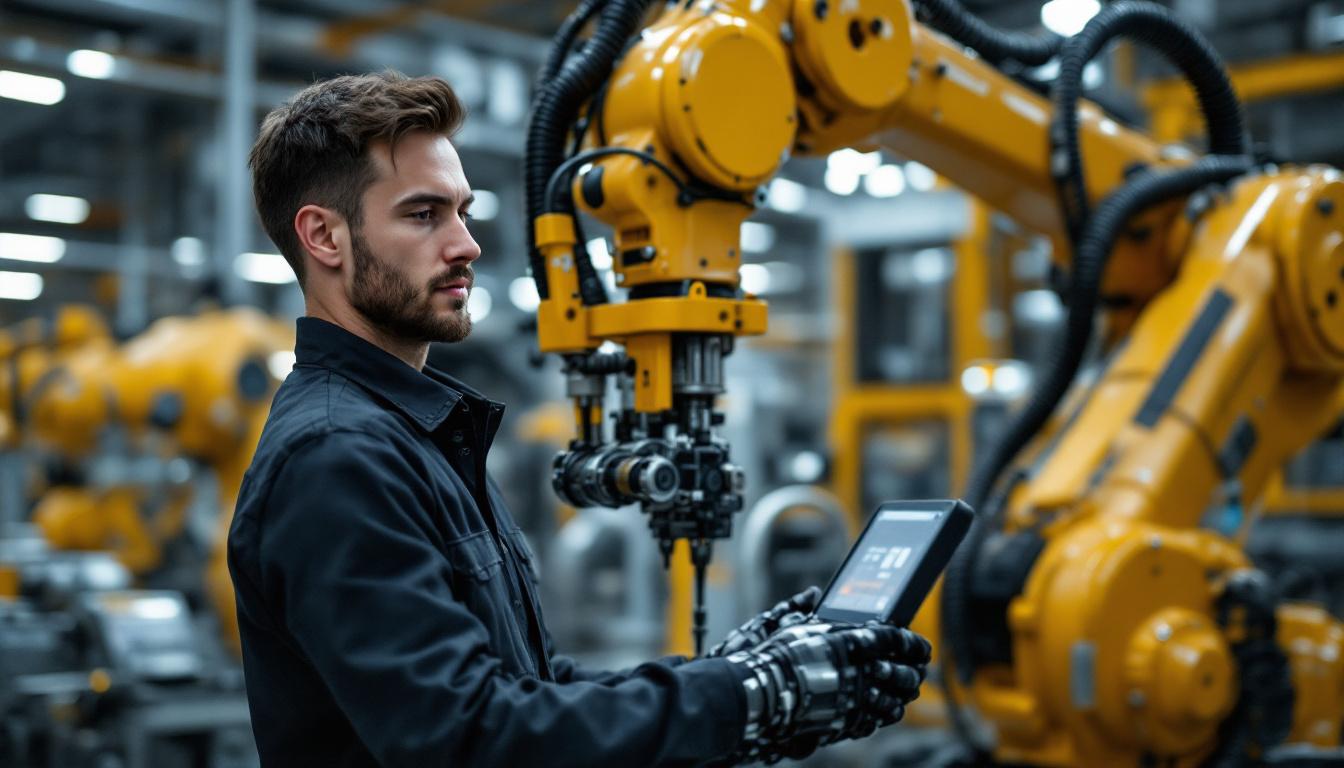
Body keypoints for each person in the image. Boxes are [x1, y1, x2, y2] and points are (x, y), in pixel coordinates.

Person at [228, 71, 931, 768]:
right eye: (423, 214)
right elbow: (469, 738)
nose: (466, 244)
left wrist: (734, 675)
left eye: (463, 211)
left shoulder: (419, 436)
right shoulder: (337, 457)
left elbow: (531, 692)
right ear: (324, 236)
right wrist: (748, 695)